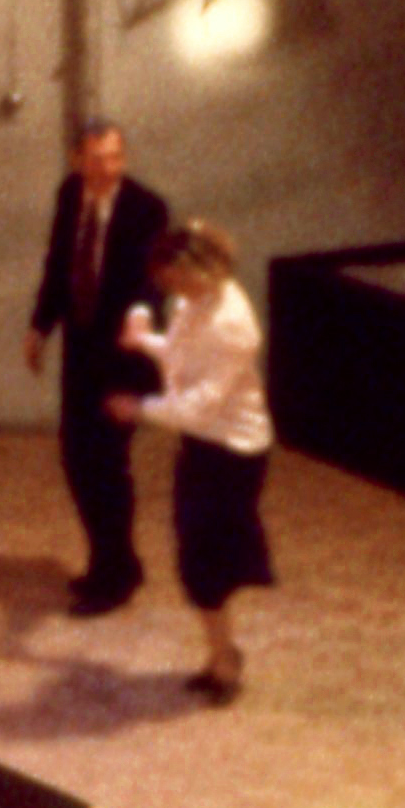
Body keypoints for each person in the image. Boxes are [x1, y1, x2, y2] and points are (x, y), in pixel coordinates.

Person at [108, 221, 274, 704]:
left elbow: (199, 403)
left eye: (177, 280)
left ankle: (224, 661)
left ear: (201, 270)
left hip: (233, 450)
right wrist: (145, 341)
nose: (172, 291)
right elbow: (182, 360)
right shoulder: (194, 300)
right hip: (202, 444)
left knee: (205, 562)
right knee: (198, 556)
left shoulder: (232, 323)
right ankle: (222, 653)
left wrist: (138, 408)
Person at [22, 118, 174, 614]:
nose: (106, 167)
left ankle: (114, 575)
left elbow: (150, 282)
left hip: (124, 354)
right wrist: (40, 326)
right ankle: (116, 561)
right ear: (77, 159)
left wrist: (139, 316)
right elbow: (59, 265)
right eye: (96, 157)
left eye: (115, 156)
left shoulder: (147, 208)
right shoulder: (70, 195)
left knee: (107, 466)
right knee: (75, 459)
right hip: (81, 352)